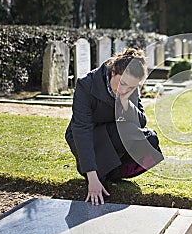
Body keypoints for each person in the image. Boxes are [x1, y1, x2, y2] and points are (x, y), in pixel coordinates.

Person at [65, 48, 163, 206]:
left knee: (150, 139)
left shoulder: (130, 86)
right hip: (86, 137)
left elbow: (141, 122)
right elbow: (82, 130)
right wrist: (92, 177)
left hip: (114, 134)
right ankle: (97, 174)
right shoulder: (86, 84)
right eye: (122, 83)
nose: (125, 90)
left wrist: (125, 103)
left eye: (131, 88)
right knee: (124, 132)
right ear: (113, 71)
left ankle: (110, 173)